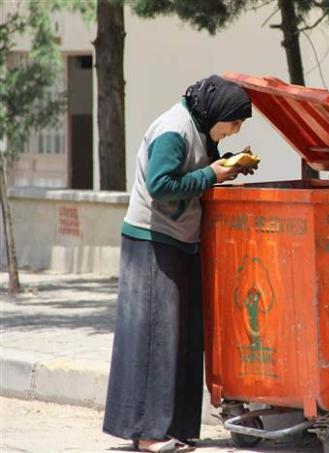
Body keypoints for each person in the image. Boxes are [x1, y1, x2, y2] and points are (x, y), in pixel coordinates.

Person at [103, 75, 253, 453]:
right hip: (151, 242)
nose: (235, 129)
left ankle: (179, 428)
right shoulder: (174, 129)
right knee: (155, 339)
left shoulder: (200, 128)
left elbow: (197, 172)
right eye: (233, 122)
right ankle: (148, 433)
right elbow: (161, 184)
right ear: (215, 112)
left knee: (184, 337)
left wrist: (227, 169)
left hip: (180, 241)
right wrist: (211, 174)